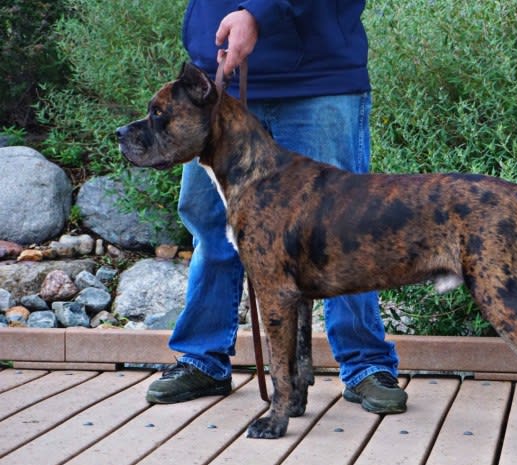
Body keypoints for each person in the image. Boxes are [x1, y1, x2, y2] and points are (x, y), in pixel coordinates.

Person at [145, 1, 408, 414]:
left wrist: (258, 12)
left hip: (317, 79)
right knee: (213, 231)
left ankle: (365, 365)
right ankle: (203, 358)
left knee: (346, 229)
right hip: (215, 85)